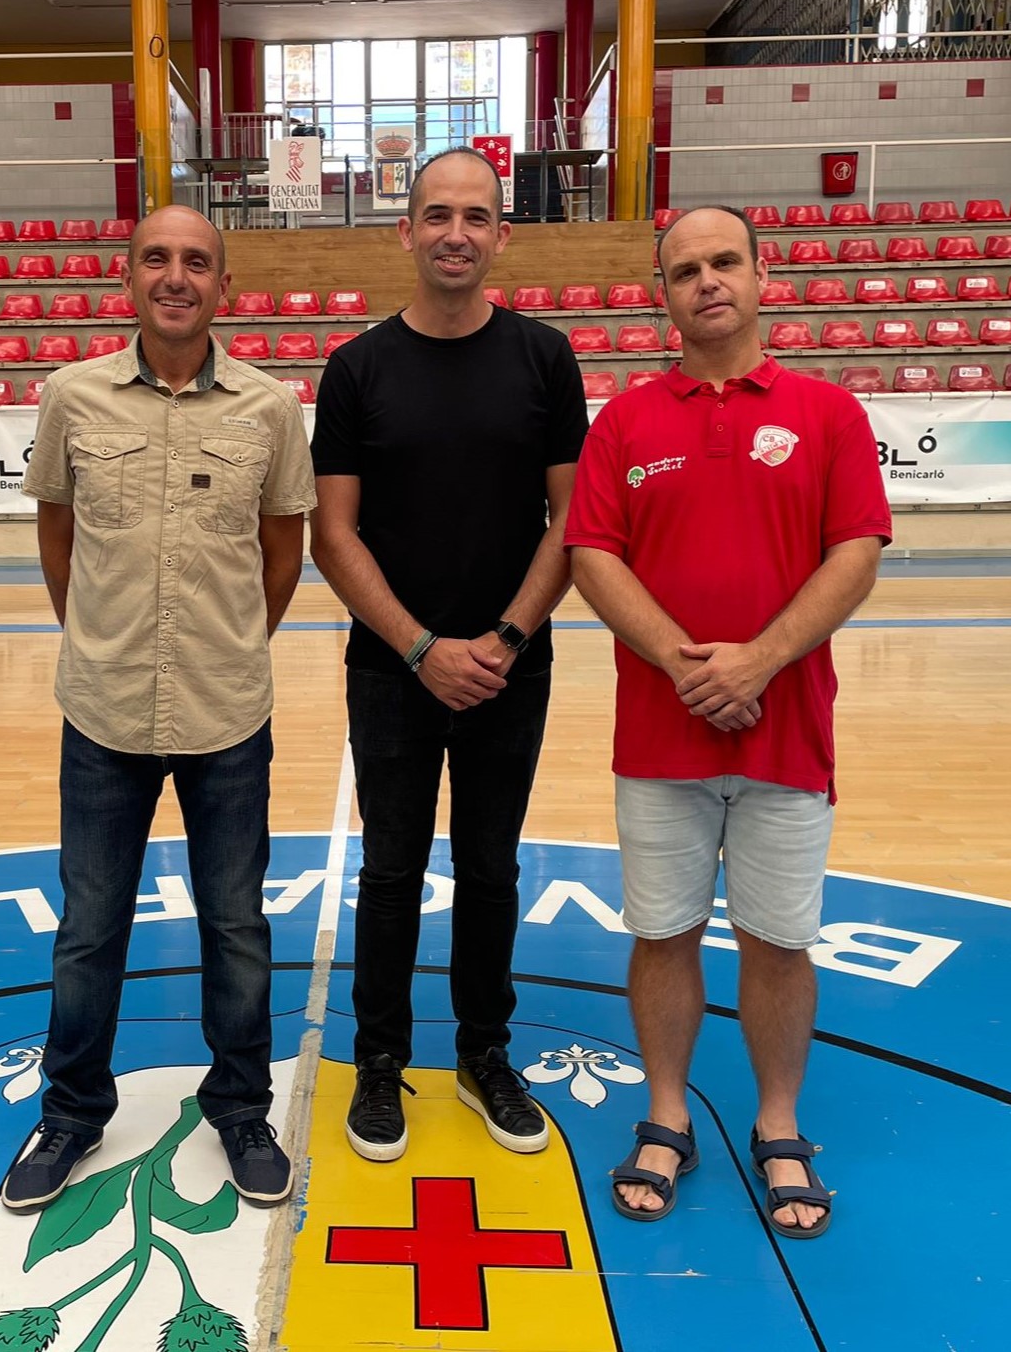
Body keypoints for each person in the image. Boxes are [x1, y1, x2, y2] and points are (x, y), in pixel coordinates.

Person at [564, 205, 890, 1233]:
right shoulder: (624, 421)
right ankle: (666, 1112)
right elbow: (591, 556)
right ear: (661, 293)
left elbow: (856, 552)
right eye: (684, 270)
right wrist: (682, 661)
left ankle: (778, 1120)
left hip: (786, 732)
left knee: (777, 940)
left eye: (724, 262)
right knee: (662, 932)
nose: (706, 281)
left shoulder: (828, 412)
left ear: (760, 275)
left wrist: (757, 657)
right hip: (658, 739)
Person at [7, 205, 316, 1212]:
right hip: (101, 709)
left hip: (228, 711)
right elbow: (59, 539)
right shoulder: (71, 397)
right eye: (156, 258)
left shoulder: (268, 409)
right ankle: (71, 1109)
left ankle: (238, 1106)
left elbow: (283, 554)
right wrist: (100, 636)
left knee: (236, 923)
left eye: (196, 261)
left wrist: (224, 642)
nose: (175, 275)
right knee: (90, 925)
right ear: (128, 277)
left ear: (224, 286)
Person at [310, 147, 588, 1162]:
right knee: (389, 872)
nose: (455, 232)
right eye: (436, 214)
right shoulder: (357, 367)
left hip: (513, 666)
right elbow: (331, 534)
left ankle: (484, 1054)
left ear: (502, 233)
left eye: (476, 215)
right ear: (406, 229)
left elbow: (573, 519)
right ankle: (379, 1061)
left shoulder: (545, 359)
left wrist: (505, 638)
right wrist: (423, 645)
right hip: (391, 667)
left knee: (489, 868)